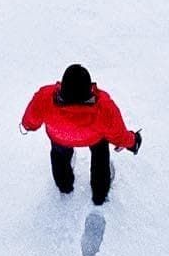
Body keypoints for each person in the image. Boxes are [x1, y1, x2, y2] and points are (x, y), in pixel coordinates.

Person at [20, 64, 143, 205]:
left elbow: (30, 120)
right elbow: (118, 135)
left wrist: (28, 126)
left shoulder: (45, 97)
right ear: (89, 89)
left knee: (59, 156)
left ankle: (64, 185)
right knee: (100, 157)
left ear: (62, 86)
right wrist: (133, 142)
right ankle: (100, 194)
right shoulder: (103, 106)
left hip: (60, 136)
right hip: (94, 138)